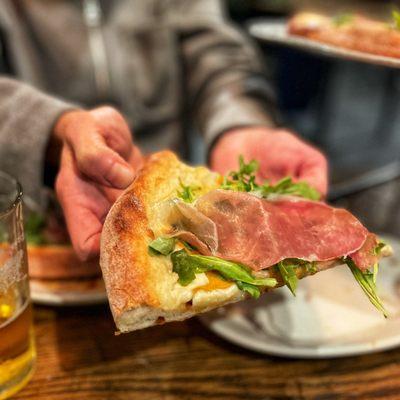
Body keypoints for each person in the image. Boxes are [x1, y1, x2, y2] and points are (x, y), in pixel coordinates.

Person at [0, 0, 327, 261]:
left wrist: (240, 124)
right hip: (30, 222)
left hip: (180, 229)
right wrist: (55, 128)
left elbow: (212, 49)